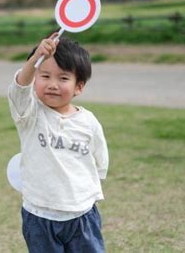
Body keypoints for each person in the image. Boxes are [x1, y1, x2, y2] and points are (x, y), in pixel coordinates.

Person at [7, 31, 109, 253]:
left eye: (63, 78)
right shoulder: (30, 115)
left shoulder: (88, 122)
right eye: (44, 76)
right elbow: (19, 89)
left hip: (82, 213)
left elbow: (99, 161)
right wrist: (35, 60)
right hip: (40, 214)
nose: (52, 84)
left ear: (79, 86)